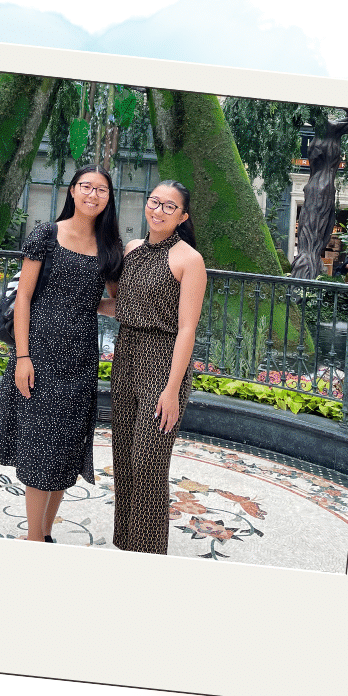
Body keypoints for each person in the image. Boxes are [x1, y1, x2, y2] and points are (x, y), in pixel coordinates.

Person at [0, 164, 124, 541]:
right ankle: (33, 539)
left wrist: (149, 307)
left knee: (64, 446)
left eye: (102, 190)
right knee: (37, 445)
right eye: (86, 186)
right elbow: (24, 297)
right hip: (39, 355)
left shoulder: (110, 248)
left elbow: (113, 302)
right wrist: (23, 357)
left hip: (79, 357)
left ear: (109, 199)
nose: (93, 194)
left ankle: (45, 535)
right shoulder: (46, 234)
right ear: (72, 191)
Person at [108, 180, 207, 555]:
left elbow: (187, 328)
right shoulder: (133, 250)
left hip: (163, 364)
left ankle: (148, 553)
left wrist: (171, 390)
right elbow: (124, 308)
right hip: (126, 357)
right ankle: (126, 543)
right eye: (154, 202)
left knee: (147, 462)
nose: (159, 210)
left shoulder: (188, 259)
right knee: (123, 456)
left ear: (182, 217)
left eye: (170, 206)